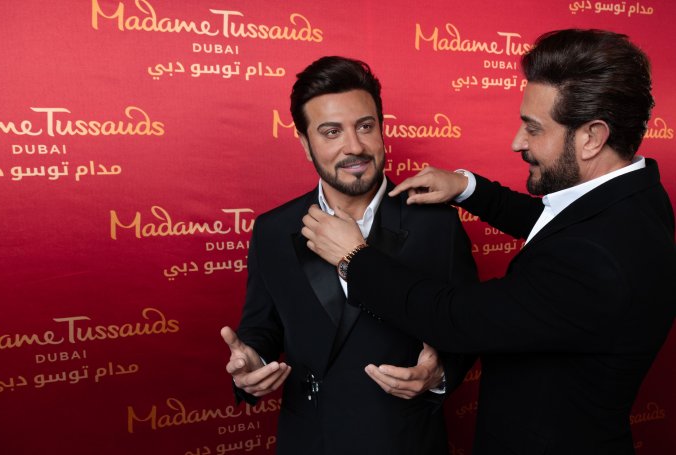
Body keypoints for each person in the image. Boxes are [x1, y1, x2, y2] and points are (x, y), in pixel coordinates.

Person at [302, 29, 676, 455]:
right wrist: (469, 188)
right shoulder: (636, 197)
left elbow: (453, 318)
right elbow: (558, 223)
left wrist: (354, 258)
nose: (518, 142)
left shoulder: (595, 259)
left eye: (533, 128)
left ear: (592, 137)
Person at [220, 56, 478, 454]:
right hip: (311, 439)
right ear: (306, 144)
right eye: (331, 132)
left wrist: (439, 372)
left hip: (404, 439)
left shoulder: (436, 224)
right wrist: (252, 361)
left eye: (365, 126)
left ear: (381, 129)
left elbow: (467, 325)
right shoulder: (273, 230)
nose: (354, 146)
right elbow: (263, 326)